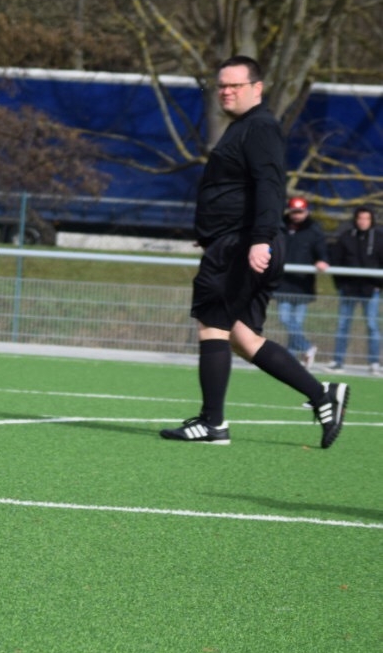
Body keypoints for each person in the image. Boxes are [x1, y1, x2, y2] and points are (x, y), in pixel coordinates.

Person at [161, 56, 347, 447]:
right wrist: (208, 231)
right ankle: (322, 395)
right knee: (243, 337)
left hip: (243, 244)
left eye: (235, 85)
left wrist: (260, 238)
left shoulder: (260, 126)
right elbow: (235, 188)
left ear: (257, 88)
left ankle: (212, 424)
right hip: (237, 241)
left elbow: (270, 185)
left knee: (212, 326)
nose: (226, 91)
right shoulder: (244, 127)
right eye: (221, 85)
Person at [273, 196, 327, 368]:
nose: (296, 215)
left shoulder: (314, 230)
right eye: (294, 212)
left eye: (300, 212)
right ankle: (307, 347)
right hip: (283, 283)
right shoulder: (280, 227)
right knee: (285, 318)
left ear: (306, 212)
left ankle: (291, 359)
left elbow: (321, 250)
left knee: (296, 323)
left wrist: (322, 260)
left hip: (303, 284)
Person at [327, 205, 382, 375]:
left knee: (372, 325)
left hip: (370, 290)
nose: (363, 222)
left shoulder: (379, 238)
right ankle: (338, 361)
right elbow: (336, 260)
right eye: (360, 218)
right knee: (343, 325)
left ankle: (374, 362)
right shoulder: (346, 237)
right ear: (355, 220)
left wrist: (378, 285)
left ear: (371, 220)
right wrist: (341, 284)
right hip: (349, 289)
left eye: (366, 218)